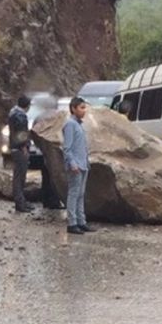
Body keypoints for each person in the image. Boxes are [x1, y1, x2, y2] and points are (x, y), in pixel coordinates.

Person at [63, 96, 93, 234]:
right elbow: (67, 147)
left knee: (81, 194)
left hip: (83, 164)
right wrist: (72, 163)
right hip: (75, 165)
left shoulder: (79, 125)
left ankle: (81, 221)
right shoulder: (70, 124)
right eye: (81, 108)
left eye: (84, 107)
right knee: (74, 193)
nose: (84, 110)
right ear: (73, 109)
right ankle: (72, 222)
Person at [7, 95, 34, 213]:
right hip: (19, 149)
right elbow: (22, 133)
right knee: (19, 177)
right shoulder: (20, 116)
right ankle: (20, 203)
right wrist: (24, 147)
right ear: (27, 105)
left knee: (18, 176)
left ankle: (21, 201)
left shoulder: (13, 113)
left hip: (14, 148)